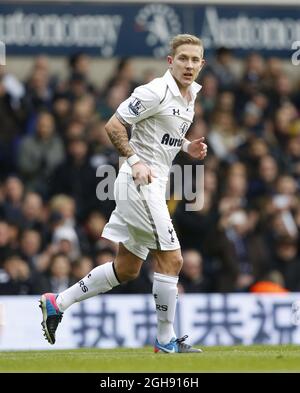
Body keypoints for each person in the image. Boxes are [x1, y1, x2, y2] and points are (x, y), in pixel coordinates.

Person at [39, 34, 207, 353]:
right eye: (182, 58)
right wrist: (134, 160)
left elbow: (163, 134)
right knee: (172, 259)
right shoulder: (155, 90)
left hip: (152, 184)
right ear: (170, 61)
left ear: (202, 64)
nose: (188, 65)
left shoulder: (191, 94)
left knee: (128, 269)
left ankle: (56, 303)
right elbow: (113, 126)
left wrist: (188, 146)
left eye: (194, 59)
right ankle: (165, 340)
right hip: (138, 182)